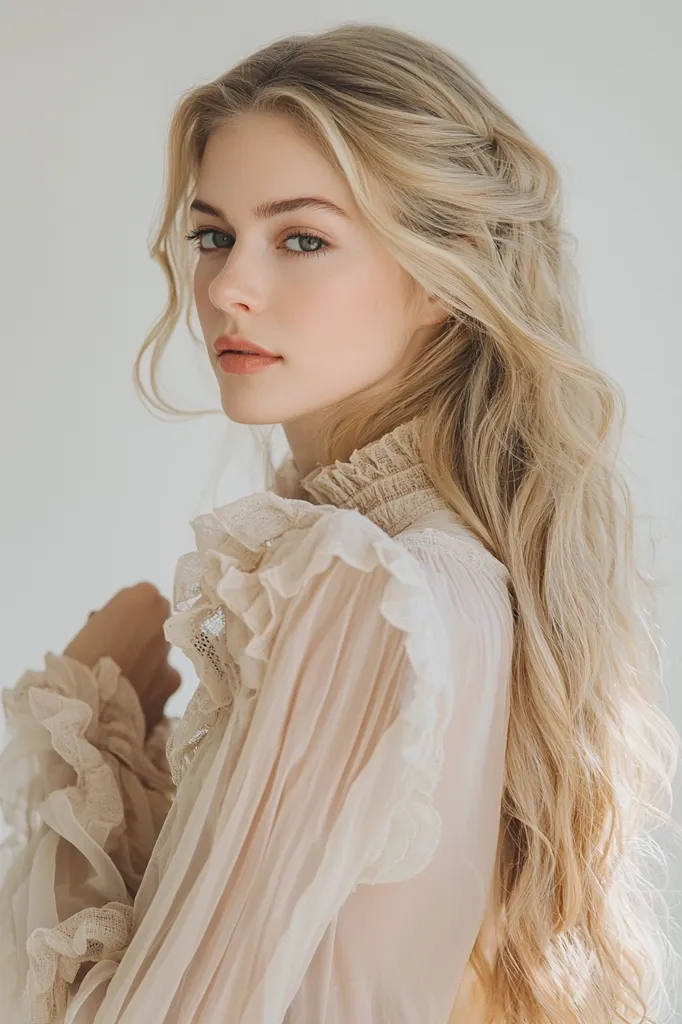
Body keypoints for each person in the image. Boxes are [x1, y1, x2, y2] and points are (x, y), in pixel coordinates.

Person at [0, 20, 679, 1024]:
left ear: (443, 274)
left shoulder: (371, 583)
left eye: (302, 238)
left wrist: (86, 729)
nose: (229, 286)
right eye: (213, 233)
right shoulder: (446, 576)